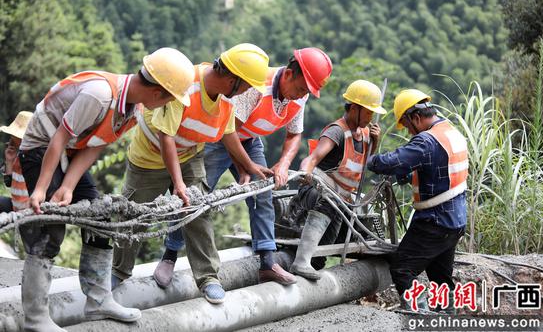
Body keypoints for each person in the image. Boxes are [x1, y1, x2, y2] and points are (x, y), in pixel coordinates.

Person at [17, 47, 194, 332]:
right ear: (158, 93)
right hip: (42, 147)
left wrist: (69, 185)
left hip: (73, 153)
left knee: (100, 217)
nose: (165, 106)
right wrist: (41, 189)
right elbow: (59, 137)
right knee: (50, 228)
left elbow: (95, 145)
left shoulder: (132, 111)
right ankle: (35, 319)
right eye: (169, 100)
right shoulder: (99, 94)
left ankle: (98, 300)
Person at [153, 47, 333, 287]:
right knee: (194, 195)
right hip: (219, 136)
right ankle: (170, 254)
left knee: (262, 194)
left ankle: (267, 262)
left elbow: (294, 134)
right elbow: (229, 131)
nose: (300, 95)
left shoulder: (301, 94)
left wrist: (283, 163)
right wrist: (245, 167)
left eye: (306, 92)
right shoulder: (259, 88)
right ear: (289, 75)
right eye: (300, 89)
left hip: (249, 140)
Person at [111, 43, 272, 304]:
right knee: (134, 214)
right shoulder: (187, 83)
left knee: (197, 211)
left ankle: (208, 277)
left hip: (189, 155)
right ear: (232, 80)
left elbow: (229, 133)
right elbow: (166, 137)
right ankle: (118, 272)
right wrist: (178, 184)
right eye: (246, 86)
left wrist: (248, 166)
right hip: (149, 156)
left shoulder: (227, 101)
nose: (247, 93)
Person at [367, 89, 468, 312]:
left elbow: (392, 162)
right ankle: (448, 319)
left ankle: (420, 317)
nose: (410, 133)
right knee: (440, 277)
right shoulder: (449, 132)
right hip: (455, 221)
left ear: (415, 117)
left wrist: (370, 158)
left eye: (408, 126)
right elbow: (435, 168)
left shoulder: (426, 141)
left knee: (402, 269)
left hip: (435, 221)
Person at [289, 80, 386, 280]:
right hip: (317, 192)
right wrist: (305, 172)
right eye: (368, 112)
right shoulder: (337, 131)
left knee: (327, 244)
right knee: (327, 203)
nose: (371, 117)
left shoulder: (366, 134)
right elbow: (312, 158)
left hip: (342, 201)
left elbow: (362, 164)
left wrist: (375, 142)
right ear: (354, 109)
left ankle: (308, 274)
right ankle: (300, 261)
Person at [0, 111, 32, 212]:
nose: (12, 138)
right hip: (15, 205)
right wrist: (9, 161)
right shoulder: (17, 155)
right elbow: (9, 183)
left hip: (30, 208)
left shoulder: (34, 157)